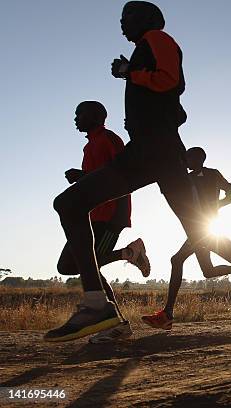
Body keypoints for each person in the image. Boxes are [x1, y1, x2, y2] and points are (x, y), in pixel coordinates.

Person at [45, 1, 231, 342]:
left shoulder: (157, 38)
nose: (122, 24)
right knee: (198, 227)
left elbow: (171, 81)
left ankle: (97, 304)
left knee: (69, 205)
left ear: (146, 19)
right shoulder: (146, 47)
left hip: (153, 148)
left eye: (127, 17)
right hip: (159, 149)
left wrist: (130, 74)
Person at [55, 101, 151, 343]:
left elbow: (124, 175)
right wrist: (82, 177)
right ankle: (127, 255)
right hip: (90, 216)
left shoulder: (109, 139)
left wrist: (118, 216)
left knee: (88, 264)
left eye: (80, 113)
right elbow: (98, 179)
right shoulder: (90, 145)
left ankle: (118, 323)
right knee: (68, 266)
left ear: (96, 116)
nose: (76, 118)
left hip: (109, 216)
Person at [142, 147, 231, 330]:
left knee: (176, 259)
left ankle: (167, 314)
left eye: (188, 157)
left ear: (199, 159)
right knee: (208, 271)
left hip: (206, 227)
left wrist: (216, 204)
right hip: (196, 227)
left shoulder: (213, 174)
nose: (185, 161)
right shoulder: (188, 179)